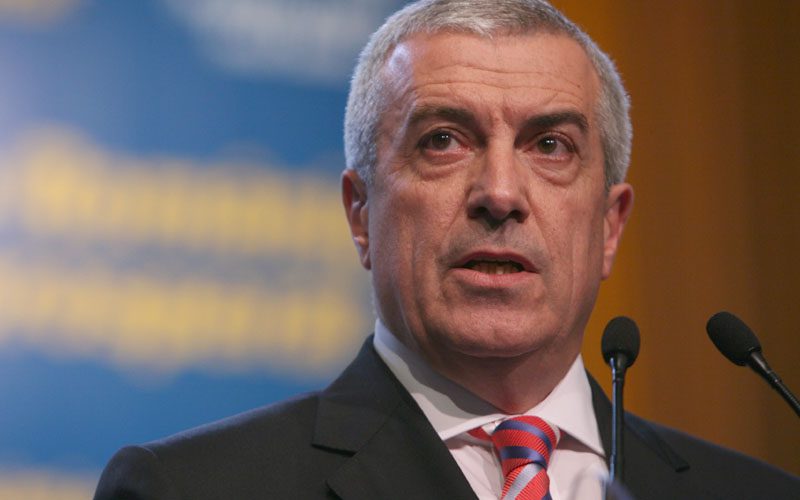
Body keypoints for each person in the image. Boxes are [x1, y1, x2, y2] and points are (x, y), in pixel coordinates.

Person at [94, 1, 799, 499]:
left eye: (551, 146)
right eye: (443, 140)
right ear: (361, 213)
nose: (500, 192)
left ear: (610, 227)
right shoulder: (194, 488)